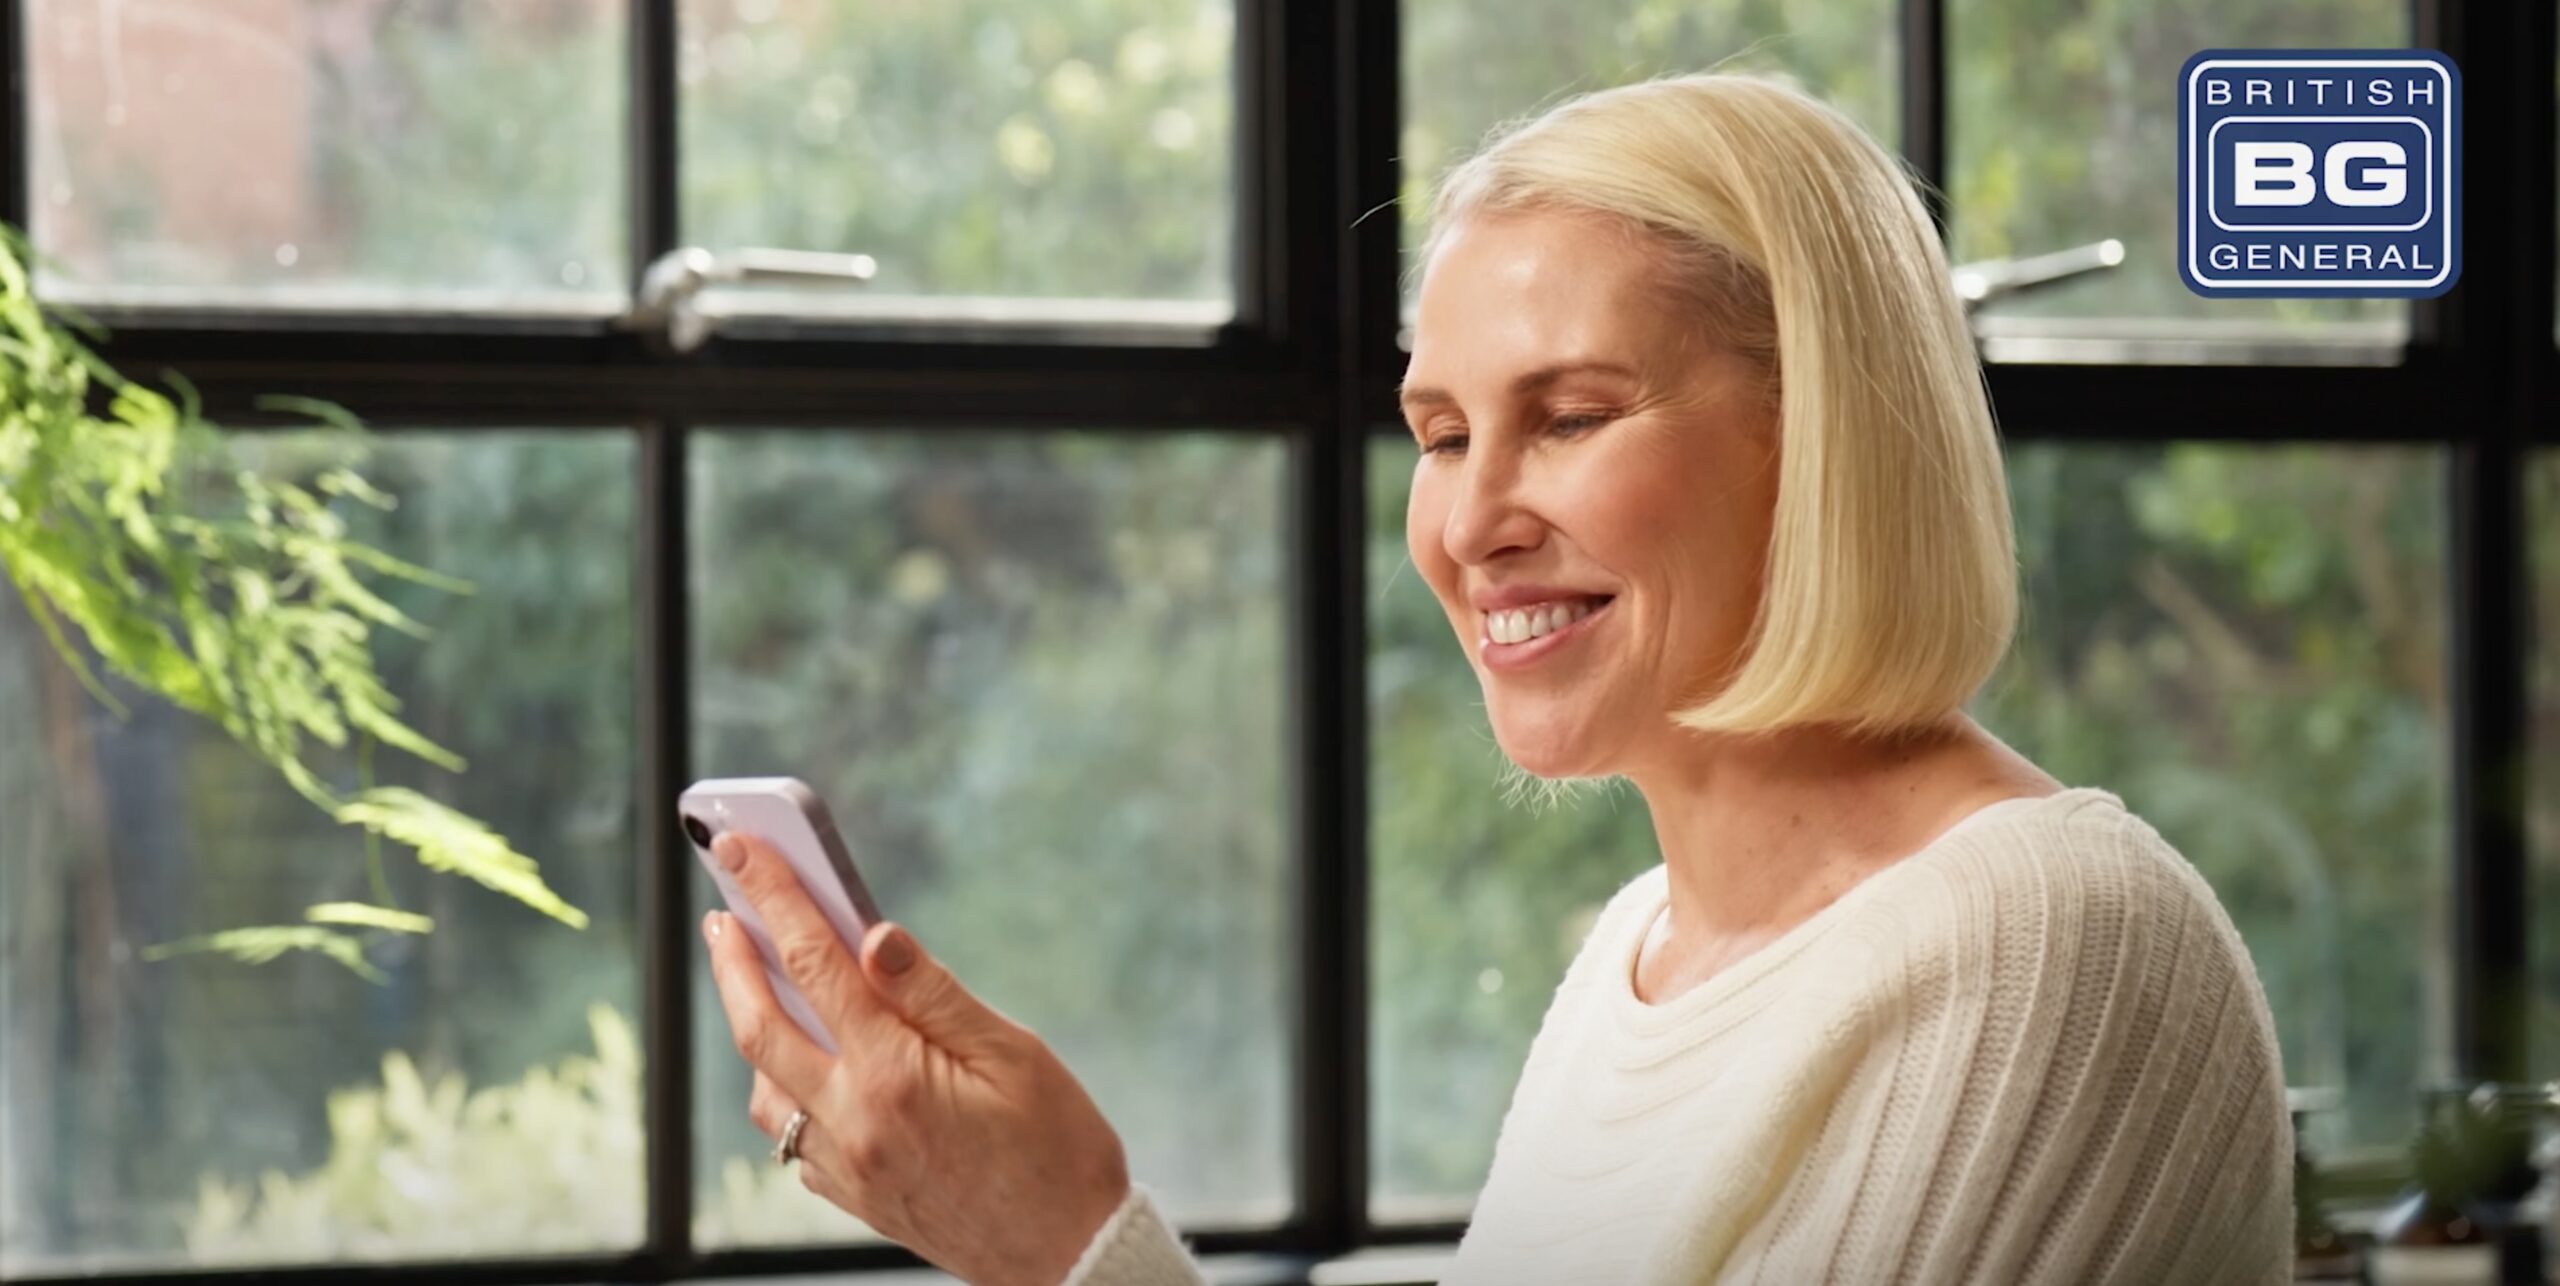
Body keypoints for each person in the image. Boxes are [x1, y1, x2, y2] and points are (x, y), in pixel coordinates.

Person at [698, 70, 2294, 1285]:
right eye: (1444, 433)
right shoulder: (1638, 956)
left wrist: (1070, 1244)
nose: (1469, 523)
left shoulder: (2053, 938)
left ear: (1826, 443)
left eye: (1575, 415)